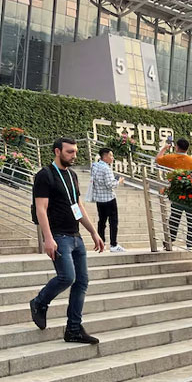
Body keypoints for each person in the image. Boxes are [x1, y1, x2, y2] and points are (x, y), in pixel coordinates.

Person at [30, 138, 105, 344]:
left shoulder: (72, 176)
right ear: (57, 151)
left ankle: (73, 329)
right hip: (59, 236)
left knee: (82, 281)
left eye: (75, 152)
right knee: (67, 277)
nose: (74, 155)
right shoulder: (45, 175)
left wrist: (93, 232)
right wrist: (48, 238)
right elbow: (41, 209)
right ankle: (39, 302)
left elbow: (78, 207)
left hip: (75, 236)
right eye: (70, 152)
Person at [156, 138, 192, 250]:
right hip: (190, 193)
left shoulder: (171, 158)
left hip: (176, 191)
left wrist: (164, 148)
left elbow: (157, 160)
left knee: (174, 217)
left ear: (176, 147)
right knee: (191, 218)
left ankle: (170, 240)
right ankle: (191, 243)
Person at [87, 148, 126, 253]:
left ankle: (101, 243)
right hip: (109, 198)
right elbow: (110, 184)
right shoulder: (106, 169)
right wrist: (119, 181)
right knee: (113, 222)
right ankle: (113, 244)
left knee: (102, 221)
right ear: (105, 157)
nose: (112, 158)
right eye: (111, 155)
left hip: (99, 199)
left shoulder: (94, 166)